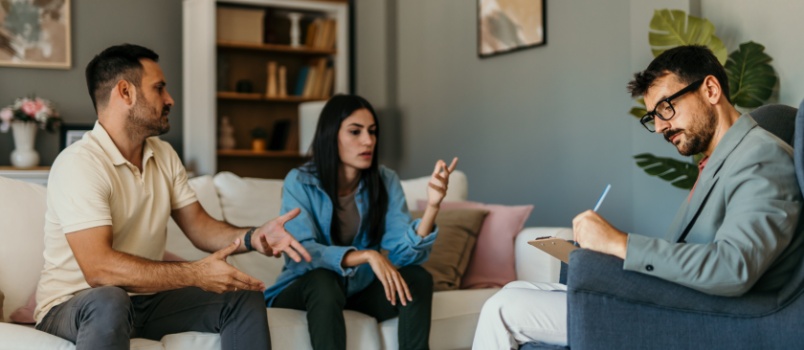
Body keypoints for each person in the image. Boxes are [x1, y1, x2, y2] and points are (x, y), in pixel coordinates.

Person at [472, 45, 804, 349]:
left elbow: (735, 267)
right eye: (653, 117)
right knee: (514, 292)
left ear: (711, 90)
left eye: (666, 108)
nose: (659, 127)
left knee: (503, 308)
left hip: (712, 317)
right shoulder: (719, 162)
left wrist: (620, 243)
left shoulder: (761, 158)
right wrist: (608, 252)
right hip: (683, 301)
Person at [34, 44, 311, 349]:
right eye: (159, 88)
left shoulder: (163, 155)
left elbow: (200, 227)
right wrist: (196, 274)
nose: (170, 100)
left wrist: (254, 236)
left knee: (241, 295)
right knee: (110, 299)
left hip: (143, 302)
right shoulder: (80, 163)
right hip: (75, 306)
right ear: (125, 93)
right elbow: (100, 270)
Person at [263, 94, 458, 350]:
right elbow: (301, 253)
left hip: (358, 290)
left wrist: (433, 206)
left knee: (417, 277)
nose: (368, 141)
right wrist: (367, 256)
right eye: (355, 132)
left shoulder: (385, 180)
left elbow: (403, 254)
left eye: (372, 132)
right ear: (331, 136)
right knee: (324, 281)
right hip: (307, 288)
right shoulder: (299, 181)